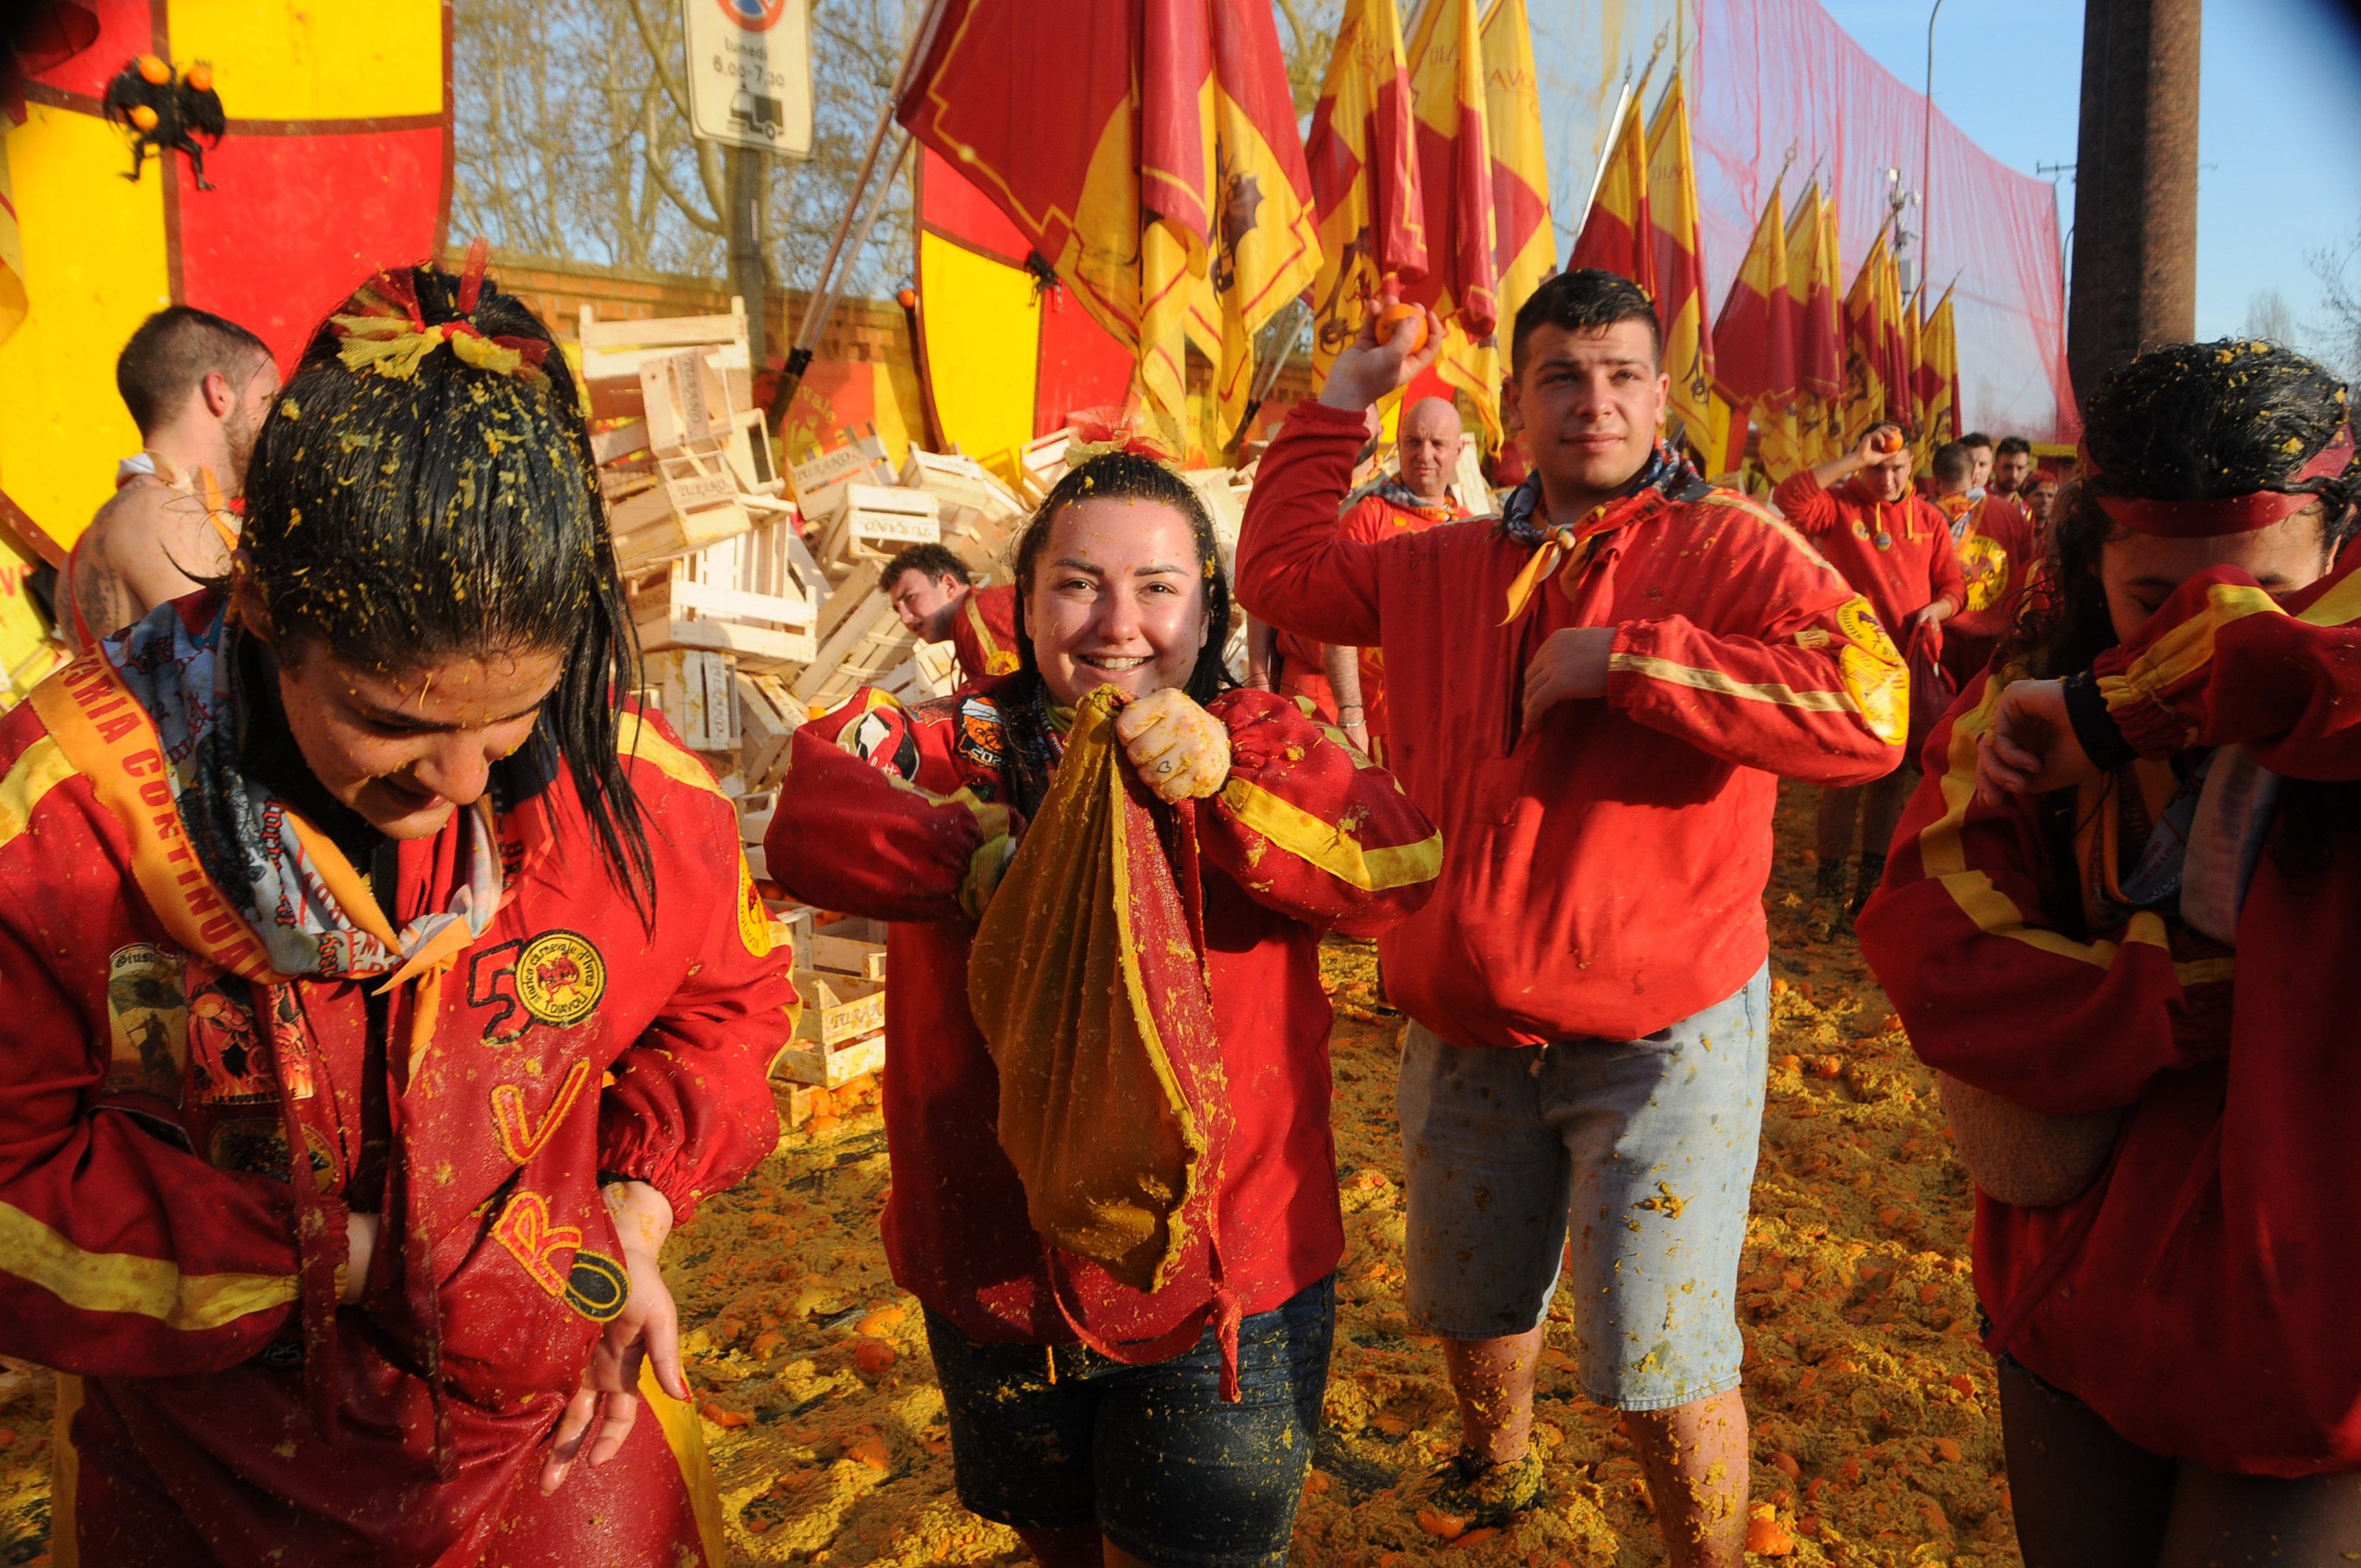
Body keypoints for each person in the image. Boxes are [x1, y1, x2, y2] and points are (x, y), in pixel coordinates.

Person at [0, 253, 795, 1566]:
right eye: (391, 721)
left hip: (554, 1448)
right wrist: (364, 1256)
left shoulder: (626, 784)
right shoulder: (69, 819)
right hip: (212, 1471)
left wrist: (633, 1211)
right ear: (262, 607)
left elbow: (731, 999)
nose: (462, 781)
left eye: (511, 716)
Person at [1236, 269, 1904, 1567]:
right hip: (1464, 1014)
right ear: (1515, 405)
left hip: (1664, 1031)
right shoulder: (1441, 560)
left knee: (1659, 1355)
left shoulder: (1734, 547)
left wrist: (1641, 662)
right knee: (1469, 1292)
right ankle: (1498, 1461)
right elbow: (1280, 573)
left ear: (1659, 397)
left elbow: (1871, 712)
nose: (1592, 401)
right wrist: (1338, 400)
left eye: (1618, 376)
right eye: (1560, 376)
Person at [767, 446, 1441, 1568]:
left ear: (1207, 609)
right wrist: (968, 859)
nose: (1118, 624)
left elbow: (1398, 862)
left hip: (1226, 1273)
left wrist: (1231, 778)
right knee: (1059, 1543)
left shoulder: (1262, 732)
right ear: (1023, 607)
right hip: (996, 1265)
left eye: (1157, 587)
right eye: (1078, 585)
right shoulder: (955, 745)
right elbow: (810, 811)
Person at [1859, 338, 2361, 1564]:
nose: (2197, 627)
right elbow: (1939, 956)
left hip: (2316, 1333)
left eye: (2254, 597)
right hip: (2074, 1295)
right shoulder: (2025, 704)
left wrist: (2131, 702)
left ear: (2343, 555)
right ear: (2089, 563)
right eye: (2154, 600)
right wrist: (2194, 997)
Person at [1773, 423, 1963, 937]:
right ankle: (1827, 897)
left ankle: (1868, 893)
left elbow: (1954, 586)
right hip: (1850, 667)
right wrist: (1855, 460)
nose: (1888, 479)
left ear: (1913, 466)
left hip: (1905, 672)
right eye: (1878, 469)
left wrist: (1938, 609)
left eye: (1897, 468)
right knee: (1844, 783)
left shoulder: (1930, 519)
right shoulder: (1839, 507)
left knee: (1889, 785)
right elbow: (1789, 500)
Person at [64, 305, 281, 654]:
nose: (280, 422)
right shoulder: (163, 512)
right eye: (271, 398)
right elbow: (238, 670)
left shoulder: (101, 534)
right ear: (219, 393)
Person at [1291, 395, 1470, 758]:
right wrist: (1351, 712)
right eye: (1414, 442)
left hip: (1448, 723)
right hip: (1381, 725)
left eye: (1437, 444)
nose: (1424, 455)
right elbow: (1337, 622)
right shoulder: (1367, 517)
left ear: (1459, 451)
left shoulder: (1469, 527)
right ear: (1398, 444)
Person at [1929, 440, 2042, 692]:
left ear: (1936, 478)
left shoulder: (1926, 515)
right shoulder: (2013, 515)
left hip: (1942, 636)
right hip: (1996, 641)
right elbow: (2029, 575)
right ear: (1974, 474)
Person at [881, 540, 1020, 683]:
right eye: (897, 609)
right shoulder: (974, 617)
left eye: (910, 597)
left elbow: (1021, 691)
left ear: (949, 586)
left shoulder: (976, 617)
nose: (904, 618)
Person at [1991, 434, 2036, 500]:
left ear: (2027, 471)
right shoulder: (1978, 502)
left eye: (2020, 468)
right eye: (2007, 467)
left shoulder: (2023, 506)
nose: (2014, 475)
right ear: (1995, 468)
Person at [1960, 429, 1996, 498]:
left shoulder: (1996, 503)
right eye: (1970, 463)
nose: (1975, 470)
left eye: (1982, 465)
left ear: (1991, 468)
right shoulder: (1941, 502)